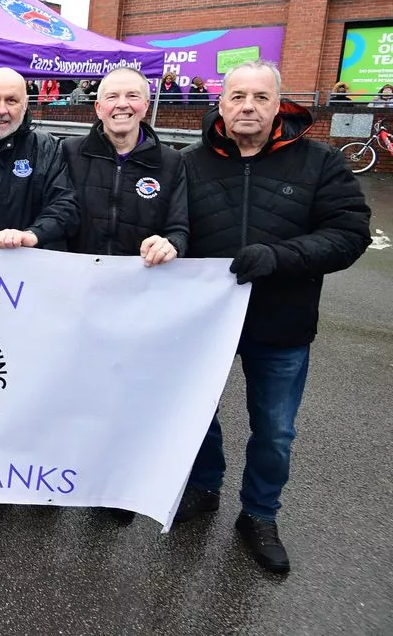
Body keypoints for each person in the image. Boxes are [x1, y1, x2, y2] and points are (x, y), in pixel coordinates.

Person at [177, 61, 370, 573]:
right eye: (237, 96)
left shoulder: (321, 163)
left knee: (276, 430)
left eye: (260, 97)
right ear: (220, 104)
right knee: (197, 414)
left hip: (281, 323)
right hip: (207, 322)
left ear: (278, 104)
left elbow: (349, 234)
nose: (247, 106)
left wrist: (278, 257)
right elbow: (171, 226)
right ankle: (203, 487)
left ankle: (259, 514)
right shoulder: (190, 162)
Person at [63, 68, 189, 521]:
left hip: (139, 299)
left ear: (147, 103)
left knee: (124, 394)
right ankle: (58, 475)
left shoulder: (173, 163)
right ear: (97, 106)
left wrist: (172, 242)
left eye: (132, 96)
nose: (122, 104)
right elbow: (59, 213)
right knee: (73, 389)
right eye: (112, 96)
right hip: (80, 296)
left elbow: (179, 226)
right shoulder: (70, 152)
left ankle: (114, 487)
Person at [0, 68, 79, 250]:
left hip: (26, 269)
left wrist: (32, 234)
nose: (1, 110)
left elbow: (65, 205)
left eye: (11, 100)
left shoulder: (47, 147)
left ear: (25, 104)